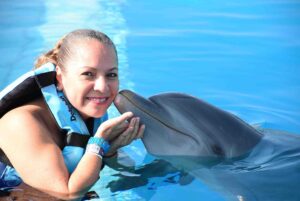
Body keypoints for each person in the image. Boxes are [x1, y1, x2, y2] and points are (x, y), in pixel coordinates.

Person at [0, 29, 145, 199]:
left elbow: (130, 170)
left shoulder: (88, 115)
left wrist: (109, 151)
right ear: (60, 78)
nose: (103, 87)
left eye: (111, 75)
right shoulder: (21, 122)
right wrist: (98, 144)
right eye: (88, 74)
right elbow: (68, 193)